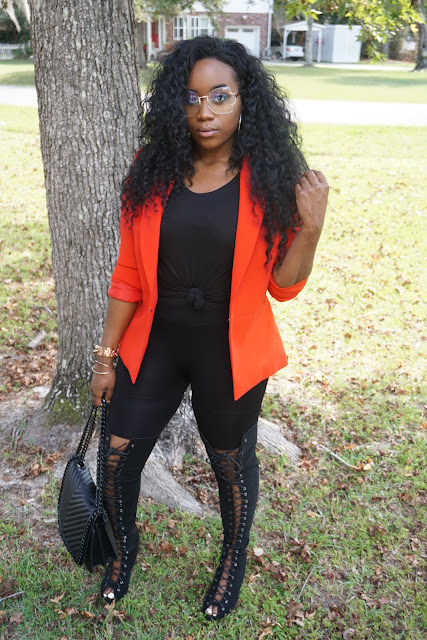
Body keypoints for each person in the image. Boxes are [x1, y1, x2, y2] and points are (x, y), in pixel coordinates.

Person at [90, 35, 328, 621]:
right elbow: (128, 274)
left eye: (220, 96)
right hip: (156, 339)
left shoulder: (270, 176)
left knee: (229, 463)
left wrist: (310, 229)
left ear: (245, 101)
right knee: (115, 456)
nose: (205, 111)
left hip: (229, 345)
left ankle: (232, 561)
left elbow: (284, 286)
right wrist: (105, 357)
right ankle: (122, 553)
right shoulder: (152, 170)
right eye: (192, 98)